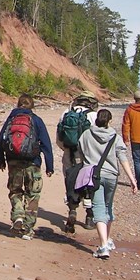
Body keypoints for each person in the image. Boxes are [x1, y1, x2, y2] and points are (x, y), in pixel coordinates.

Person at [78, 108, 137, 259]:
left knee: (98, 207)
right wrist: (132, 179)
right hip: (111, 176)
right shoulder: (115, 137)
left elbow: (80, 153)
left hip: (94, 176)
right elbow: (122, 158)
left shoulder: (86, 135)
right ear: (109, 121)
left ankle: (104, 245)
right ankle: (107, 241)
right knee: (107, 206)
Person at [0, 94, 54, 240]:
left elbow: (0, 141)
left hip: (13, 162)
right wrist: (49, 166)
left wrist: (1, 160)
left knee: (15, 191)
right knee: (32, 195)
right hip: (32, 163)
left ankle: (18, 216)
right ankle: (27, 229)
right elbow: (46, 144)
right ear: (32, 106)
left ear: (18, 104)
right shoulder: (37, 120)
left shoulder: (11, 119)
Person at [56, 91, 99, 233]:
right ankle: (89, 217)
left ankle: (72, 211)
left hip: (69, 155)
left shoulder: (66, 113)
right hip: (88, 157)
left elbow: (59, 139)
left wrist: (67, 150)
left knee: (70, 183)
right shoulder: (93, 116)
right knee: (89, 185)